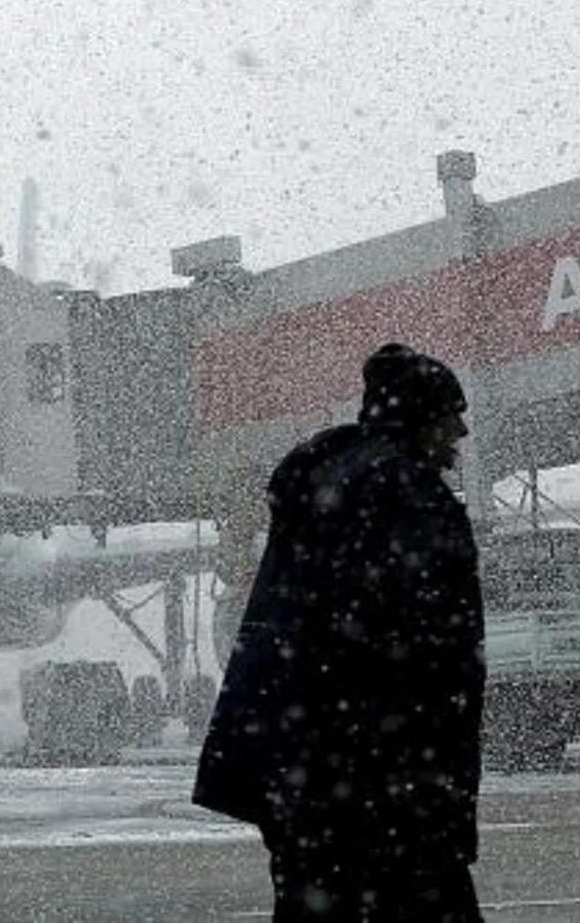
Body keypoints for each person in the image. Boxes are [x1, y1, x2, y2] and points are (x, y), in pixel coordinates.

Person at [192, 342, 486, 922]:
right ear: (421, 417)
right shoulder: (409, 497)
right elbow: (421, 651)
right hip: (376, 772)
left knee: (314, 902)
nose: (460, 434)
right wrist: (422, 770)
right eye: (452, 415)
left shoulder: (324, 485)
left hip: (297, 761)